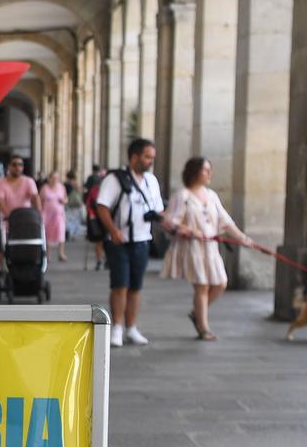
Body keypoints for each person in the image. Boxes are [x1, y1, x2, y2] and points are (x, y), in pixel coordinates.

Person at [161, 156, 243, 340]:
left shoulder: (211, 195)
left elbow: (225, 221)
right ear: (194, 172)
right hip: (193, 248)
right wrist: (190, 231)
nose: (209, 173)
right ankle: (203, 327)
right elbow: (170, 222)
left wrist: (243, 238)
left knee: (221, 283)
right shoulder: (182, 195)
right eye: (205, 170)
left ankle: (197, 313)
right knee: (202, 286)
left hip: (211, 248)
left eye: (209, 169)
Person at [93, 138, 164, 347]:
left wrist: (175, 224)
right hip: (119, 242)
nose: (150, 161)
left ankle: (131, 328)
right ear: (134, 157)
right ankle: (117, 327)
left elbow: (158, 210)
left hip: (142, 240)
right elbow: (102, 206)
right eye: (147, 157)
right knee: (120, 285)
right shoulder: (115, 179)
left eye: (152, 158)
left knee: (136, 287)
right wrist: (113, 230)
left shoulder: (151, 181)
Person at [0, 157, 39, 261]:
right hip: (7, 220)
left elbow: (34, 197)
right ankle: (3, 268)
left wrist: (39, 214)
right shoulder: (0, 183)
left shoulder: (28, 181)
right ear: (9, 167)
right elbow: (0, 201)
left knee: (26, 244)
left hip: (26, 220)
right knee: (2, 245)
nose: (18, 167)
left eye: (20, 165)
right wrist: (9, 216)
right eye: (14, 164)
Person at [39, 169, 69, 260]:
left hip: (59, 214)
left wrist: (64, 201)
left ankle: (61, 253)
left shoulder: (61, 187)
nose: (55, 179)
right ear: (49, 178)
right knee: (47, 233)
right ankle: (48, 255)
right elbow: (39, 200)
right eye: (53, 177)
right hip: (47, 214)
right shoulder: (44, 188)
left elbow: (66, 199)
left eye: (57, 178)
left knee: (60, 231)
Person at [83, 164, 108, 269]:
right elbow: (89, 204)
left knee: (104, 240)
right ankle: (99, 260)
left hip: (105, 217)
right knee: (99, 240)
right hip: (97, 218)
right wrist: (91, 215)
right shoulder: (95, 190)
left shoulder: (106, 190)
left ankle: (104, 260)